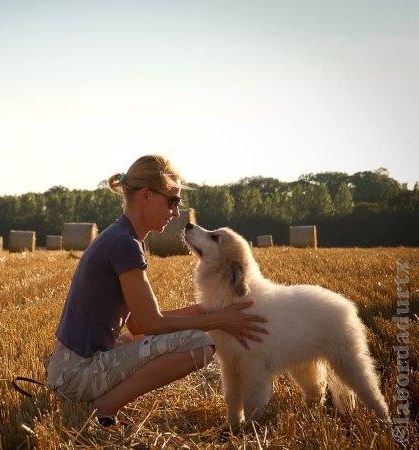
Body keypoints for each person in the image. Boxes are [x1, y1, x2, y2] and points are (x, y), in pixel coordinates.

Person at [45, 155, 268, 427]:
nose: (176, 213)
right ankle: (102, 409)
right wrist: (219, 320)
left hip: (66, 369)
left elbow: (138, 324)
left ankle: (98, 402)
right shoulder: (125, 244)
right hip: (76, 375)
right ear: (147, 195)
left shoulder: (118, 236)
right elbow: (152, 323)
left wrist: (207, 310)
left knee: (131, 339)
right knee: (200, 344)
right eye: (172, 201)